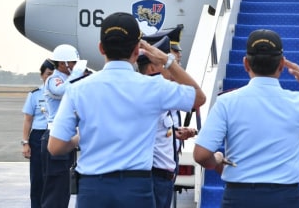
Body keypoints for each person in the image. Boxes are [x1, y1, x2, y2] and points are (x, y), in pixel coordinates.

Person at [48, 12, 205, 208]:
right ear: (137, 50)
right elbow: (199, 97)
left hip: (93, 188)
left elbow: (55, 147)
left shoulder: (77, 89)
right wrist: (167, 60)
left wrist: (82, 137)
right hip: (136, 188)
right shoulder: (153, 87)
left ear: (101, 48)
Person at [193, 29, 299, 208]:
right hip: (285, 197)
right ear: (281, 64)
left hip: (239, 197)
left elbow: (202, 155)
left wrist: (217, 161)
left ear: (245, 63)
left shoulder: (226, 102)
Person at [137, 35, 197, 208]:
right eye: (166, 63)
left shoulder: (163, 90)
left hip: (163, 174)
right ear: (151, 68)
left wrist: (176, 133)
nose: (173, 67)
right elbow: (198, 96)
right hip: (154, 176)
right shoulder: (156, 90)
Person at [41, 43, 84, 208]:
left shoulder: (68, 79)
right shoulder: (54, 79)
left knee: (64, 188)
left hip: (67, 137)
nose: (75, 66)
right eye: (73, 62)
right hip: (54, 136)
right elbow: (61, 91)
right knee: (55, 190)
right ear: (62, 63)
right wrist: (77, 75)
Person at [21, 58, 55, 208]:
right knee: (37, 179)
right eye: (48, 74)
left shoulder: (62, 94)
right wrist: (25, 143)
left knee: (54, 178)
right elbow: (28, 120)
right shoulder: (35, 95)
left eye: (54, 75)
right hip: (37, 137)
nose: (50, 78)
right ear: (42, 75)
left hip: (55, 136)